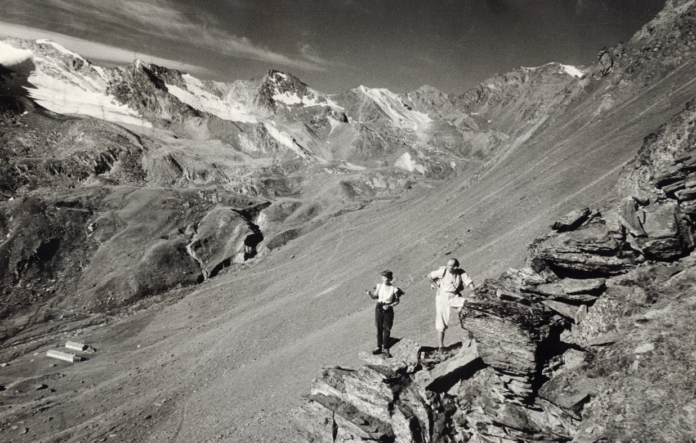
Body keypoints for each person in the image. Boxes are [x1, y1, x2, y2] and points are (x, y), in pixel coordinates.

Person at [427, 258, 475, 353]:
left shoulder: (460, 272)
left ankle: (471, 335)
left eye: (450, 265)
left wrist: (474, 291)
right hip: (442, 297)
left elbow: (469, 282)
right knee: (441, 322)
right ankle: (441, 347)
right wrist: (437, 288)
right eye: (448, 264)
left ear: (455, 267)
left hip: (454, 296)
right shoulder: (443, 271)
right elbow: (429, 276)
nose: (448, 266)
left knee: (469, 306)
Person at [365, 270, 403, 358]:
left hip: (388, 309)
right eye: (382, 278)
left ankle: (386, 348)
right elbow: (375, 297)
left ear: (390, 279)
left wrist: (389, 306)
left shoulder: (394, 289)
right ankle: (379, 346)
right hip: (379, 307)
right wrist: (370, 293)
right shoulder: (379, 286)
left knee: (387, 328)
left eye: (385, 278)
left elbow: (397, 301)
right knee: (379, 327)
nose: (383, 280)